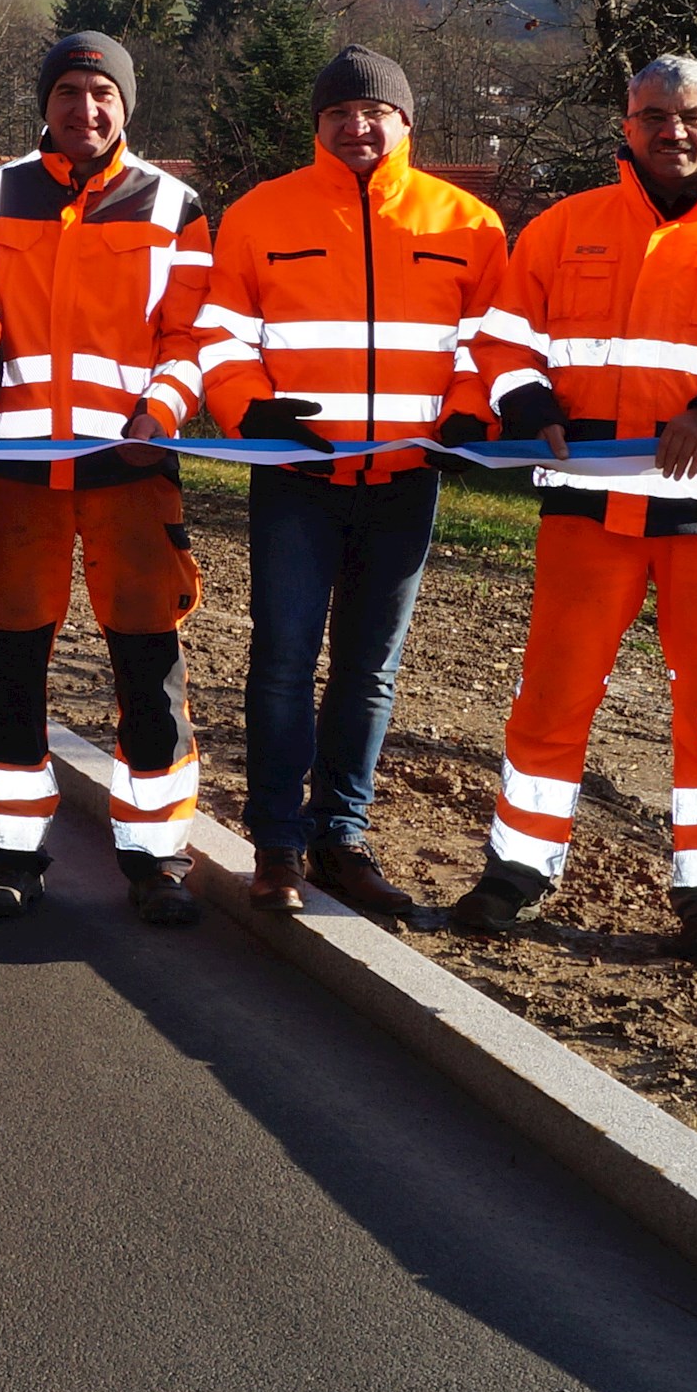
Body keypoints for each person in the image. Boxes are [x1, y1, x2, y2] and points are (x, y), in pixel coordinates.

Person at [450, 57, 697, 964]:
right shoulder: (564, 228)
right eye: (652, 115)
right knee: (551, 695)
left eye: (690, 115)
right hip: (588, 506)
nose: (671, 130)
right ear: (624, 128)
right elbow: (502, 338)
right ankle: (515, 872)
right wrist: (524, 401)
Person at [191, 46, 507, 923]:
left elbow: (495, 344)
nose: (359, 127)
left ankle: (342, 837)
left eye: (377, 113)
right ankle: (278, 845)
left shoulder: (469, 224)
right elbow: (219, 337)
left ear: (407, 123)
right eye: (341, 114)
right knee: (285, 660)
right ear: (319, 127)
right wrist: (250, 413)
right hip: (298, 476)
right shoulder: (260, 214)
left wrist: (471, 414)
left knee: (370, 669)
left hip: (408, 479)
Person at [0, 31, 216, 927]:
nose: (86, 108)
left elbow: (191, 337)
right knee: (12, 665)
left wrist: (165, 410)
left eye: (103, 92)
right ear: (46, 101)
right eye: (69, 89)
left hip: (130, 472)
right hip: (19, 474)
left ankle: (156, 859)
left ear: (127, 104)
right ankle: (12, 854)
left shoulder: (174, 204)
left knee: (148, 664)